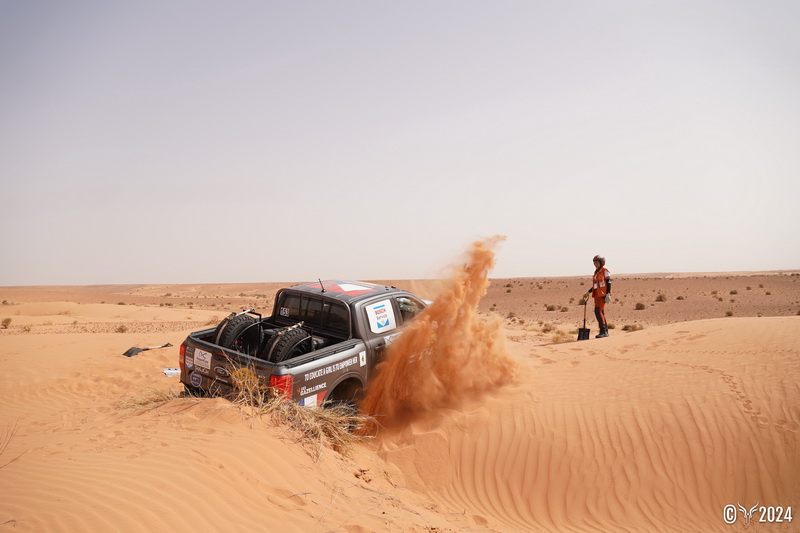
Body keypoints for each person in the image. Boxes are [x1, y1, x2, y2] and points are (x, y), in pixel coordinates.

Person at [581, 255, 612, 338]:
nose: (595, 264)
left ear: (601, 263)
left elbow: (609, 282)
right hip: (597, 294)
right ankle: (605, 331)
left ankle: (603, 331)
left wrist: (608, 294)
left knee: (598, 311)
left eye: (597, 262)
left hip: (603, 294)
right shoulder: (596, 272)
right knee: (600, 312)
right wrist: (588, 292)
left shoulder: (605, 271)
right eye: (594, 262)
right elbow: (595, 285)